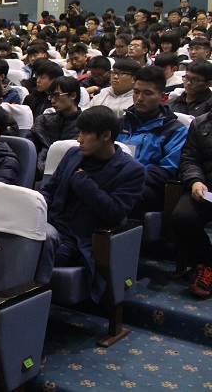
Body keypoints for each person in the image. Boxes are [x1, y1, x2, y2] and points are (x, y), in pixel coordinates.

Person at [35, 106, 146, 302]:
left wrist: (82, 181)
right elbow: (49, 191)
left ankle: (32, 308)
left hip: (79, 239)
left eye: (86, 133)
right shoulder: (72, 155)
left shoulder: (131, 170)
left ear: (105, 136)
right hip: (50, 224)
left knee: (37, 247)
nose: (79, 139)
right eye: (80, 132)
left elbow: (113, 212)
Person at [117, 66, 188, 217]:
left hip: (149, 187)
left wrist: (130, 179)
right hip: (115, 179)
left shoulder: (174, 130)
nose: (140, 98)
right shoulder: (119, 123)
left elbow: (167, 170)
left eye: (147, 93)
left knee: (122, 197)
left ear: (163, 96)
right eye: (136, 92)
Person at [171, 103, 212, 299]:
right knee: (182, 217)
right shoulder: (201, 123)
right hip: (207, 187)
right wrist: (195, 180)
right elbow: (190, 159)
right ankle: (206, 262)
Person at [27, 76, 82, 179]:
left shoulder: (85, 126)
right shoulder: (43, 121)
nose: (52, 101)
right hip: (36, 174)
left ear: (73, 95)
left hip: (67, 176)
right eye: (51, 96)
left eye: (56, 96)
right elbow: (29, 151)